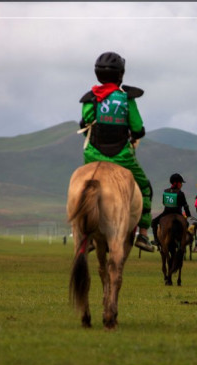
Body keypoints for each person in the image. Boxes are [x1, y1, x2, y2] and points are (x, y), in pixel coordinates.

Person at [79, 51, 154, 252]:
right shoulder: (127, 98)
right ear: (120, 74)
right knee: (145, 187)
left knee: (84, 186)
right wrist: (136, 132)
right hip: (121, 157)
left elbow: (85, 121)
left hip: (93, 155)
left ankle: (85, 234)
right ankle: (143, 235)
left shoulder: (90, 97)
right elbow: (137, 127)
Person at [151, 173, 191, 248]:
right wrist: (188, 215)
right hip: (178, 213)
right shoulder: (180, 193)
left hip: (166, 213)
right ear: (176, 183)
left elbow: (163, 202)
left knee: (154, 222)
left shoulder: (165, 191)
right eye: (180, 183)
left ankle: (156, 240)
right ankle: (182, 240)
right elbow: (185, 205)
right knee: (187, 224)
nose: (181, 184)